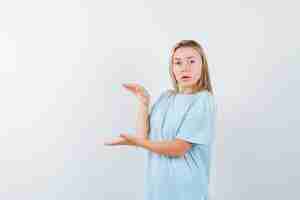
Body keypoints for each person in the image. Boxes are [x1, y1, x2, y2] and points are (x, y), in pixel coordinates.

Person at [104, 39, 217, 200]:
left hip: (187, 192)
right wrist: (144, 102)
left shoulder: (203, 100)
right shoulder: (166, 97)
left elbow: (179, 148)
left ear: (202, 66)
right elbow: (143, 137)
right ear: (172, 69)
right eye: (178, 63)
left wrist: (138, 143)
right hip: (158, 190)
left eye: (191, 61)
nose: (185, 67)